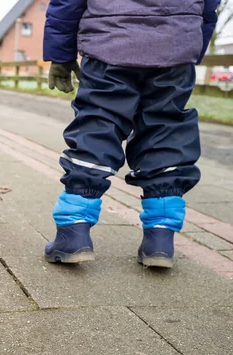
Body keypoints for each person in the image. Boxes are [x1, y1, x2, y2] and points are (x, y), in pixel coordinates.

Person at [43, 0, 220, 268]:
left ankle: (73, 230)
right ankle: (160, 239)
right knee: (166, 132)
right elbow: (209, 7)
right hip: (176, 44)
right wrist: (192, 45)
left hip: (110, 41)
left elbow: (67, 2)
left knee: (98, 126)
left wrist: (61, 54)